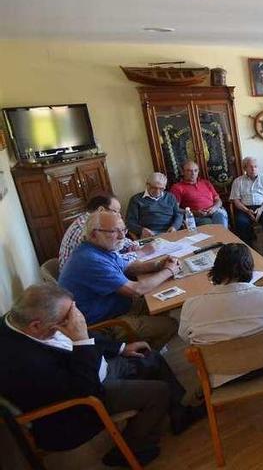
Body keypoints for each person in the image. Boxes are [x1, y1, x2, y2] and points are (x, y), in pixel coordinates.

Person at [0, 284, 201, 466]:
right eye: (67, 319)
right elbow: (83, 390)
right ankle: (131, 449)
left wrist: (121, 347)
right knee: (159, 392)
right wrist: (80, 341)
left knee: (151, 357)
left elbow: (83, 332)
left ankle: (179, 414)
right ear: (36, 326)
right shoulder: (22, 363)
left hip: (90, 369)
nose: (74, 320)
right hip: (81, 402)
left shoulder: (21, 318)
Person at [178, 243, 263, 387]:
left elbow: (185, 338)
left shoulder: (192, 306)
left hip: (221, 375)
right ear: (250, 269)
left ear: (216, 269)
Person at [58, 211, 179, 349]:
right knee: (171, 325)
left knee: (161, 301)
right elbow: (136, 290)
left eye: (123, 230)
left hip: (117, 306)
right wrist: (169, 271)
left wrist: (158, 265)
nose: (122, 236)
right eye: (114, 232)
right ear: (93, 234)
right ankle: (144, 359)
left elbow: (129, 268)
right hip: (104, 324)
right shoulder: (90, 259)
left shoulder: (101, 248)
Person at [58, 192, 144, 270]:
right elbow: (112, 262)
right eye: (115, 211)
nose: (119, 216)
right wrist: (139, 253)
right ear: (101, 210)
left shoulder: (95, 222)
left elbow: (122, 241)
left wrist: (132, 246)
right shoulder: (86, 229)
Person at [230, 156, 263, 259]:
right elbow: (236, 201)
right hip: (245, 208)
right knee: (241, 222)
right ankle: (249, 249)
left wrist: (261, 209)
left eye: (256, 166)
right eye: (250, 167)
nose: (253, 169)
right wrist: (247, 211)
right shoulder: (238, 181)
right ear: (245, 168)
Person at [169, 160, 228, 228]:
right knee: (208, 222)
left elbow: (218, 200)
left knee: (220, 215)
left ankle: (222, 236)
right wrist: (194, 212)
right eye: (189, 171)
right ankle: (222, 237)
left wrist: (214, 208)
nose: (193, 173)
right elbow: (175, 208)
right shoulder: (177, 187)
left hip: (214, 211)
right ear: (183, 172)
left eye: (195, 170)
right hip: (196, 216)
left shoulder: (206, 183)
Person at [126, 172, 183, 238]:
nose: (157, 191)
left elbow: (179, 215)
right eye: (154, 188)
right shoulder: (136, 199)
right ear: (147, 185)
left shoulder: (170, 197)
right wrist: (141, 230)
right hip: (149, 235)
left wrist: (174, 227)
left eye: (161, 188)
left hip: (169, 232)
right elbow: (129, 222)